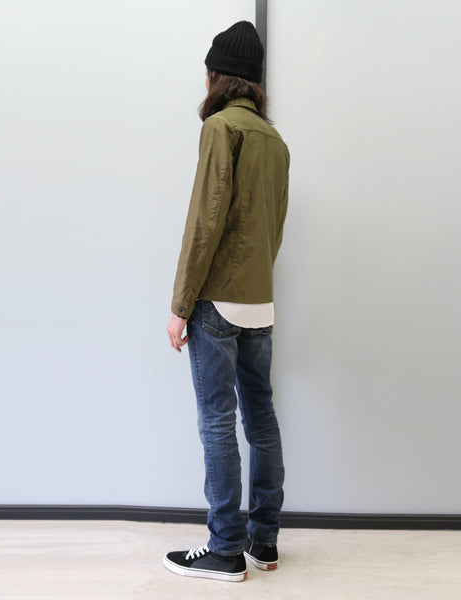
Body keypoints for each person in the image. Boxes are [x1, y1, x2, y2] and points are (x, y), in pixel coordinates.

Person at [163, 20, 290, 583]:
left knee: (217, 419)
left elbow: (204, 222)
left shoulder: (221, 128)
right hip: (260, 300)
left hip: (218, 300)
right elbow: (275, 230)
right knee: (261, 418)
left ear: (219, 76)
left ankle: (224, 550)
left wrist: (181, 304)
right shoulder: (275, 141)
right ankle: (265, 540)